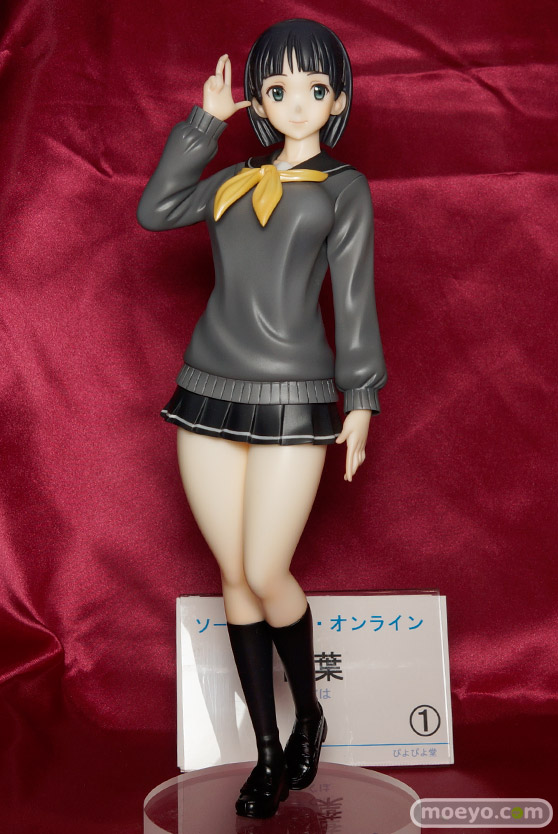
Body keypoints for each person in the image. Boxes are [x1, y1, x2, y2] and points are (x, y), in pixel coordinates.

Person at [137, 18, 387, 819]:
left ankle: (309, 713)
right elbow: (156, 210)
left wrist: (361, 399)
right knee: (235, 575)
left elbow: (354, 300)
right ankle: (269, 753)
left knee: (265, 568)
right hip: (207, 387)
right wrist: (204, 124)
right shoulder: (235, 178)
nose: (295, 102)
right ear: (261, 99)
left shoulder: (343, 187)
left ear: (338, 99)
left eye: (315, 88)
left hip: (294, 394)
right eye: (277, 88)